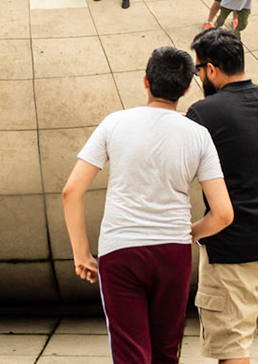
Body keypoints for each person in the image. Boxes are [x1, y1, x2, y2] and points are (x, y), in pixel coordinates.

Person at [61, 48, 234, 364]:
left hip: (121, 251)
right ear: (185, 89)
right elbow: (223, 213)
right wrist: (187, 233)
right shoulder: (198, 135)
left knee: (131, 355)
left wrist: (82, 254)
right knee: (166, 353)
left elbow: (72, 191)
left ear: (145, 81)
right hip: (173, 253)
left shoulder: (114, 123)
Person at [186, 28, 258, 364]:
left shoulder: (204, 112)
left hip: (233, 251)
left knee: (232, 347)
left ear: (211, 69)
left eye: (198, 69)